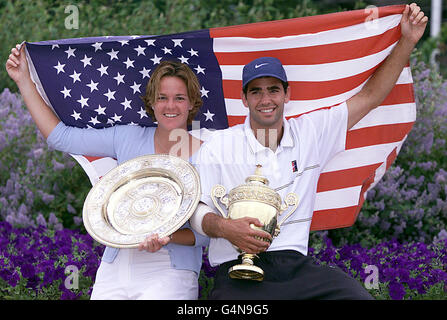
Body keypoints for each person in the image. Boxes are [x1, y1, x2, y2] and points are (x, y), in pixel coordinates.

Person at [190, 3, 428, 299]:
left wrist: (407, 41)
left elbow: (370, 97)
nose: (266, 99)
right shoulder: (218, 145)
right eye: (256, 91)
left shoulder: (312, 132)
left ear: (287, 94)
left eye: (273, 89)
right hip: (236, 269)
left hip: (295, 266)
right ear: (244, 99)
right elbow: (196, 210)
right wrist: (226, 228)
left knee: (358, 297)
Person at [6, 48, 209, 299]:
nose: (170, 105)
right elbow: (61, 137)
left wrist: (169, 237)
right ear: (152, 102)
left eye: (179, 97)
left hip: (172, 271)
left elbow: (207, 234)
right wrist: (23, 80)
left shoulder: (207, 154)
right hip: (116, 266)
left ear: (191, 103)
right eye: (162, 97)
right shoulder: (127, 136)